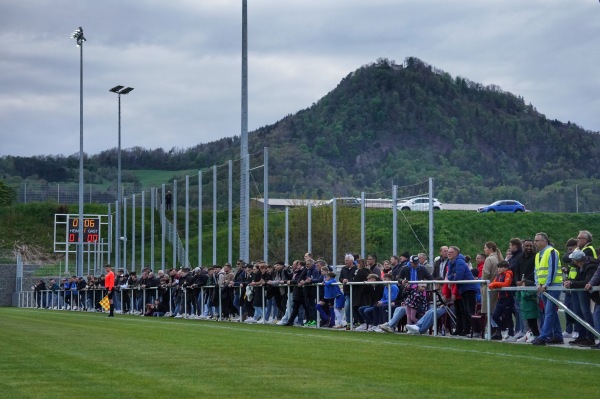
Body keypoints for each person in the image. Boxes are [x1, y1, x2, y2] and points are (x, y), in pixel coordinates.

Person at [531, 232, 564, 346]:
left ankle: (544, 336)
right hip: (542, 286)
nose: (535, 243)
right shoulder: (538, 255)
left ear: (544, 241)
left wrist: (546, 284)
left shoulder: (552, 251)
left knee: (549, 311)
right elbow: (536, 271)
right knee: (549, 311)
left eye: (537, 240)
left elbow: (553, 269)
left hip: (553, 285)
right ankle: (558, 335)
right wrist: (537, 284)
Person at [563, 250, 599, 347]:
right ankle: (582, 336)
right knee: (579, 313)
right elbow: (580, 280)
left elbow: (587, 281)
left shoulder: (590, 266)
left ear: (577, 261)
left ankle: (590, 337)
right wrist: (570, 282)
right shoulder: (583, 266)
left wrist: (572, 283)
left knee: (587, 313)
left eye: (573, 260)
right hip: (582, 292)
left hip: (588, 293)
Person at [446, 246, 479, 336]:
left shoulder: (460, 261)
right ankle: (464, 330)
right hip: (462, 289)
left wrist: (453, 276)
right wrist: (453, 276)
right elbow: (449, 276)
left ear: (457, 253)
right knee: (463, 311)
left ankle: (475, 330)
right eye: (448, 252)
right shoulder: (450, 262)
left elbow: (458, 277)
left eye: (451, 252)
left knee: (469, 311)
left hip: (469, 288)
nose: (449, 253)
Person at [514, 239, 540, 343]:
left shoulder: (536, 256)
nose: (528, 248)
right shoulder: (519, 257)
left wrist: (526, 281)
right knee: (524, 311)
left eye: (530, 246)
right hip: (522, 287)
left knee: (532, 312)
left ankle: (536, 333)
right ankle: (528, 332)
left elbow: (536, 271)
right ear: (523, 246)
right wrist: (517, 281)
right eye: (526, 246)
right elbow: (516, 271)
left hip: (532, 286)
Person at [488, 261, 515, 341]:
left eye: (501, 267)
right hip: (500, 299)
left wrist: (495, 284)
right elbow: (493, 283)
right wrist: (493, 284)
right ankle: (504, 329)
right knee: (495, 316)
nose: (499, 269)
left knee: (508, 317)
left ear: (506, 268)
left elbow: (506, 284)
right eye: (498, 267)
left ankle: (511, 334)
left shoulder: (508, 274)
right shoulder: (499, 276)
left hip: (507, 299)